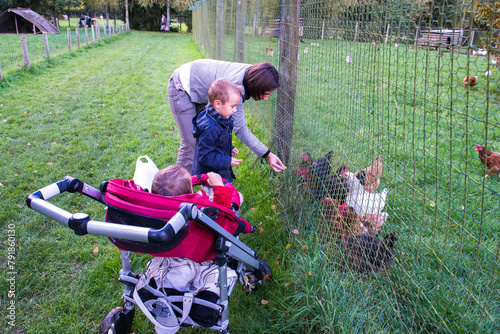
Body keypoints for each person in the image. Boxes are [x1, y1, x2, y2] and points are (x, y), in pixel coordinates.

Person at [167, 60, 287, 174]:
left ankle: (201, 182)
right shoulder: (235, 86)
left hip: (200, 84)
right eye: (265, 94)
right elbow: (240, 129)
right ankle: (177, 189)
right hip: (182, 86)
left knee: (207, 137)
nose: (266, 98)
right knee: (191, 143)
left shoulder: (254, 75)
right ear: (257, 86)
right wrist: (268, 154)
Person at [191, 79, 242, 183]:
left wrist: (229, 147)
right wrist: (227, 161)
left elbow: (218, 140)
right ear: (217, 104)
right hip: (209, 176)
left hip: (217, 171)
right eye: (232, 106)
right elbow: (205, 156)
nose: (235, 110)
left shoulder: (222, 117)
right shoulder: (210, 128)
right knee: (218, 198)